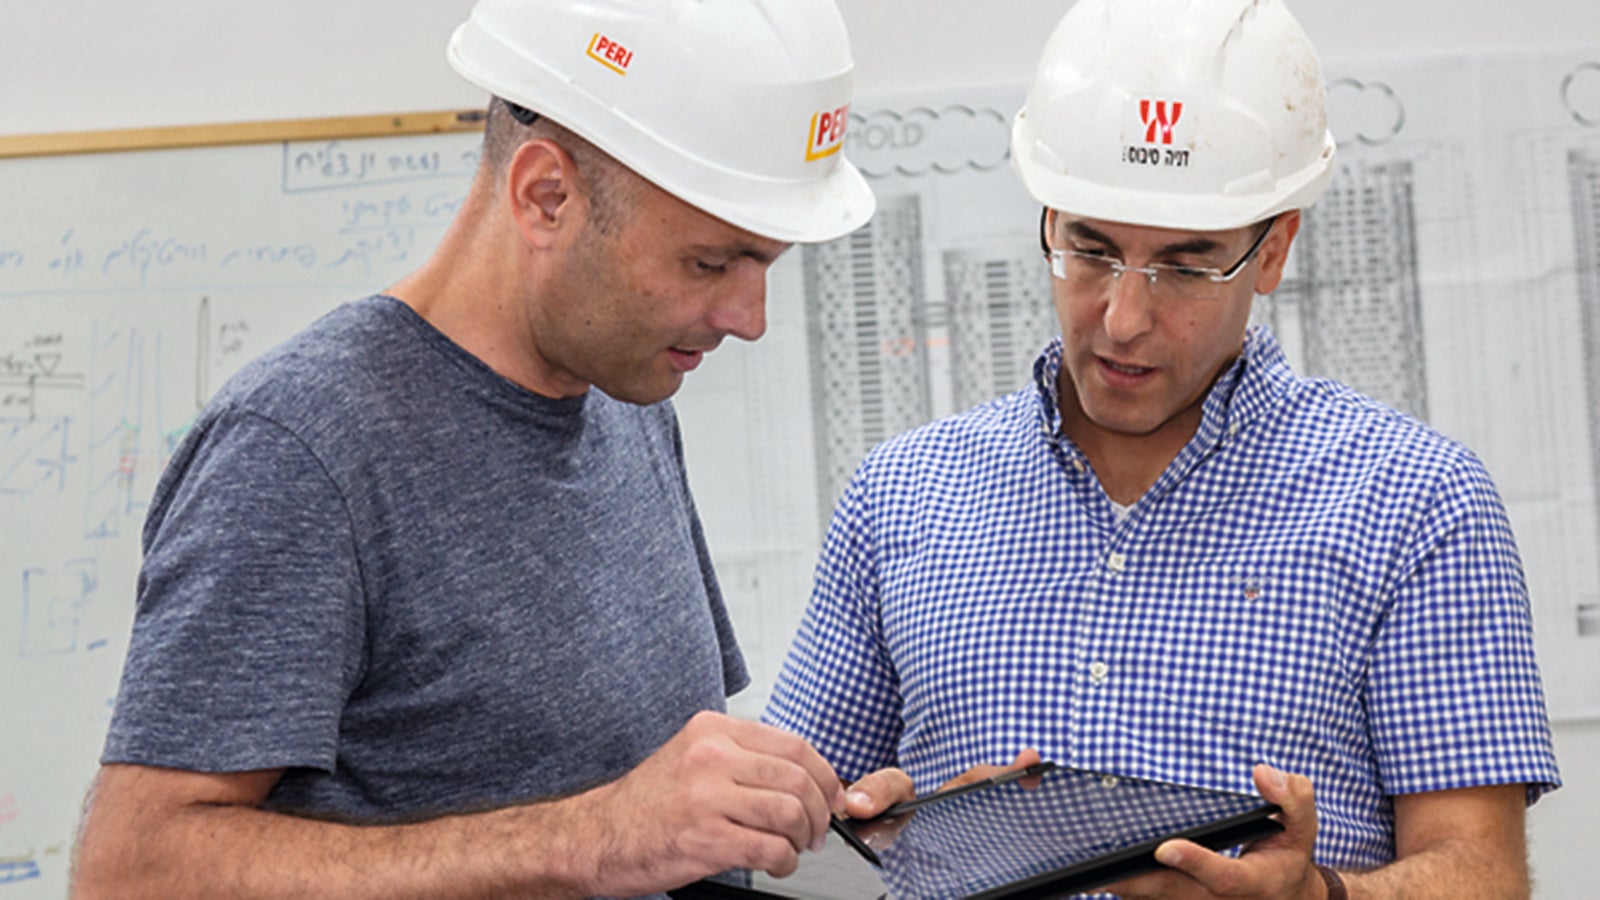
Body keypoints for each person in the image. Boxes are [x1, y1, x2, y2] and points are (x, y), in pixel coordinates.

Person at [69, 2, 912, 897]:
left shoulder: (627, 400)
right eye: (710, 264)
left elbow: (648, 810)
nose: (749, 319)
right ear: (545, 195)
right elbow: (131, 872)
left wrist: (802, 817)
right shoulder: (302, 450)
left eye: (764, 266)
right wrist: (595, 840)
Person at [764, 0, 1562, 897]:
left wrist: (1313, 896)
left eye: (1186, 265)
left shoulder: (1416, 501)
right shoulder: (902, 495)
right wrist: (901, 834)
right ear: (1051, 217)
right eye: (1092, 250)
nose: (1124, 319)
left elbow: (1481, 874)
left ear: (1273, 250)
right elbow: (785, 839)